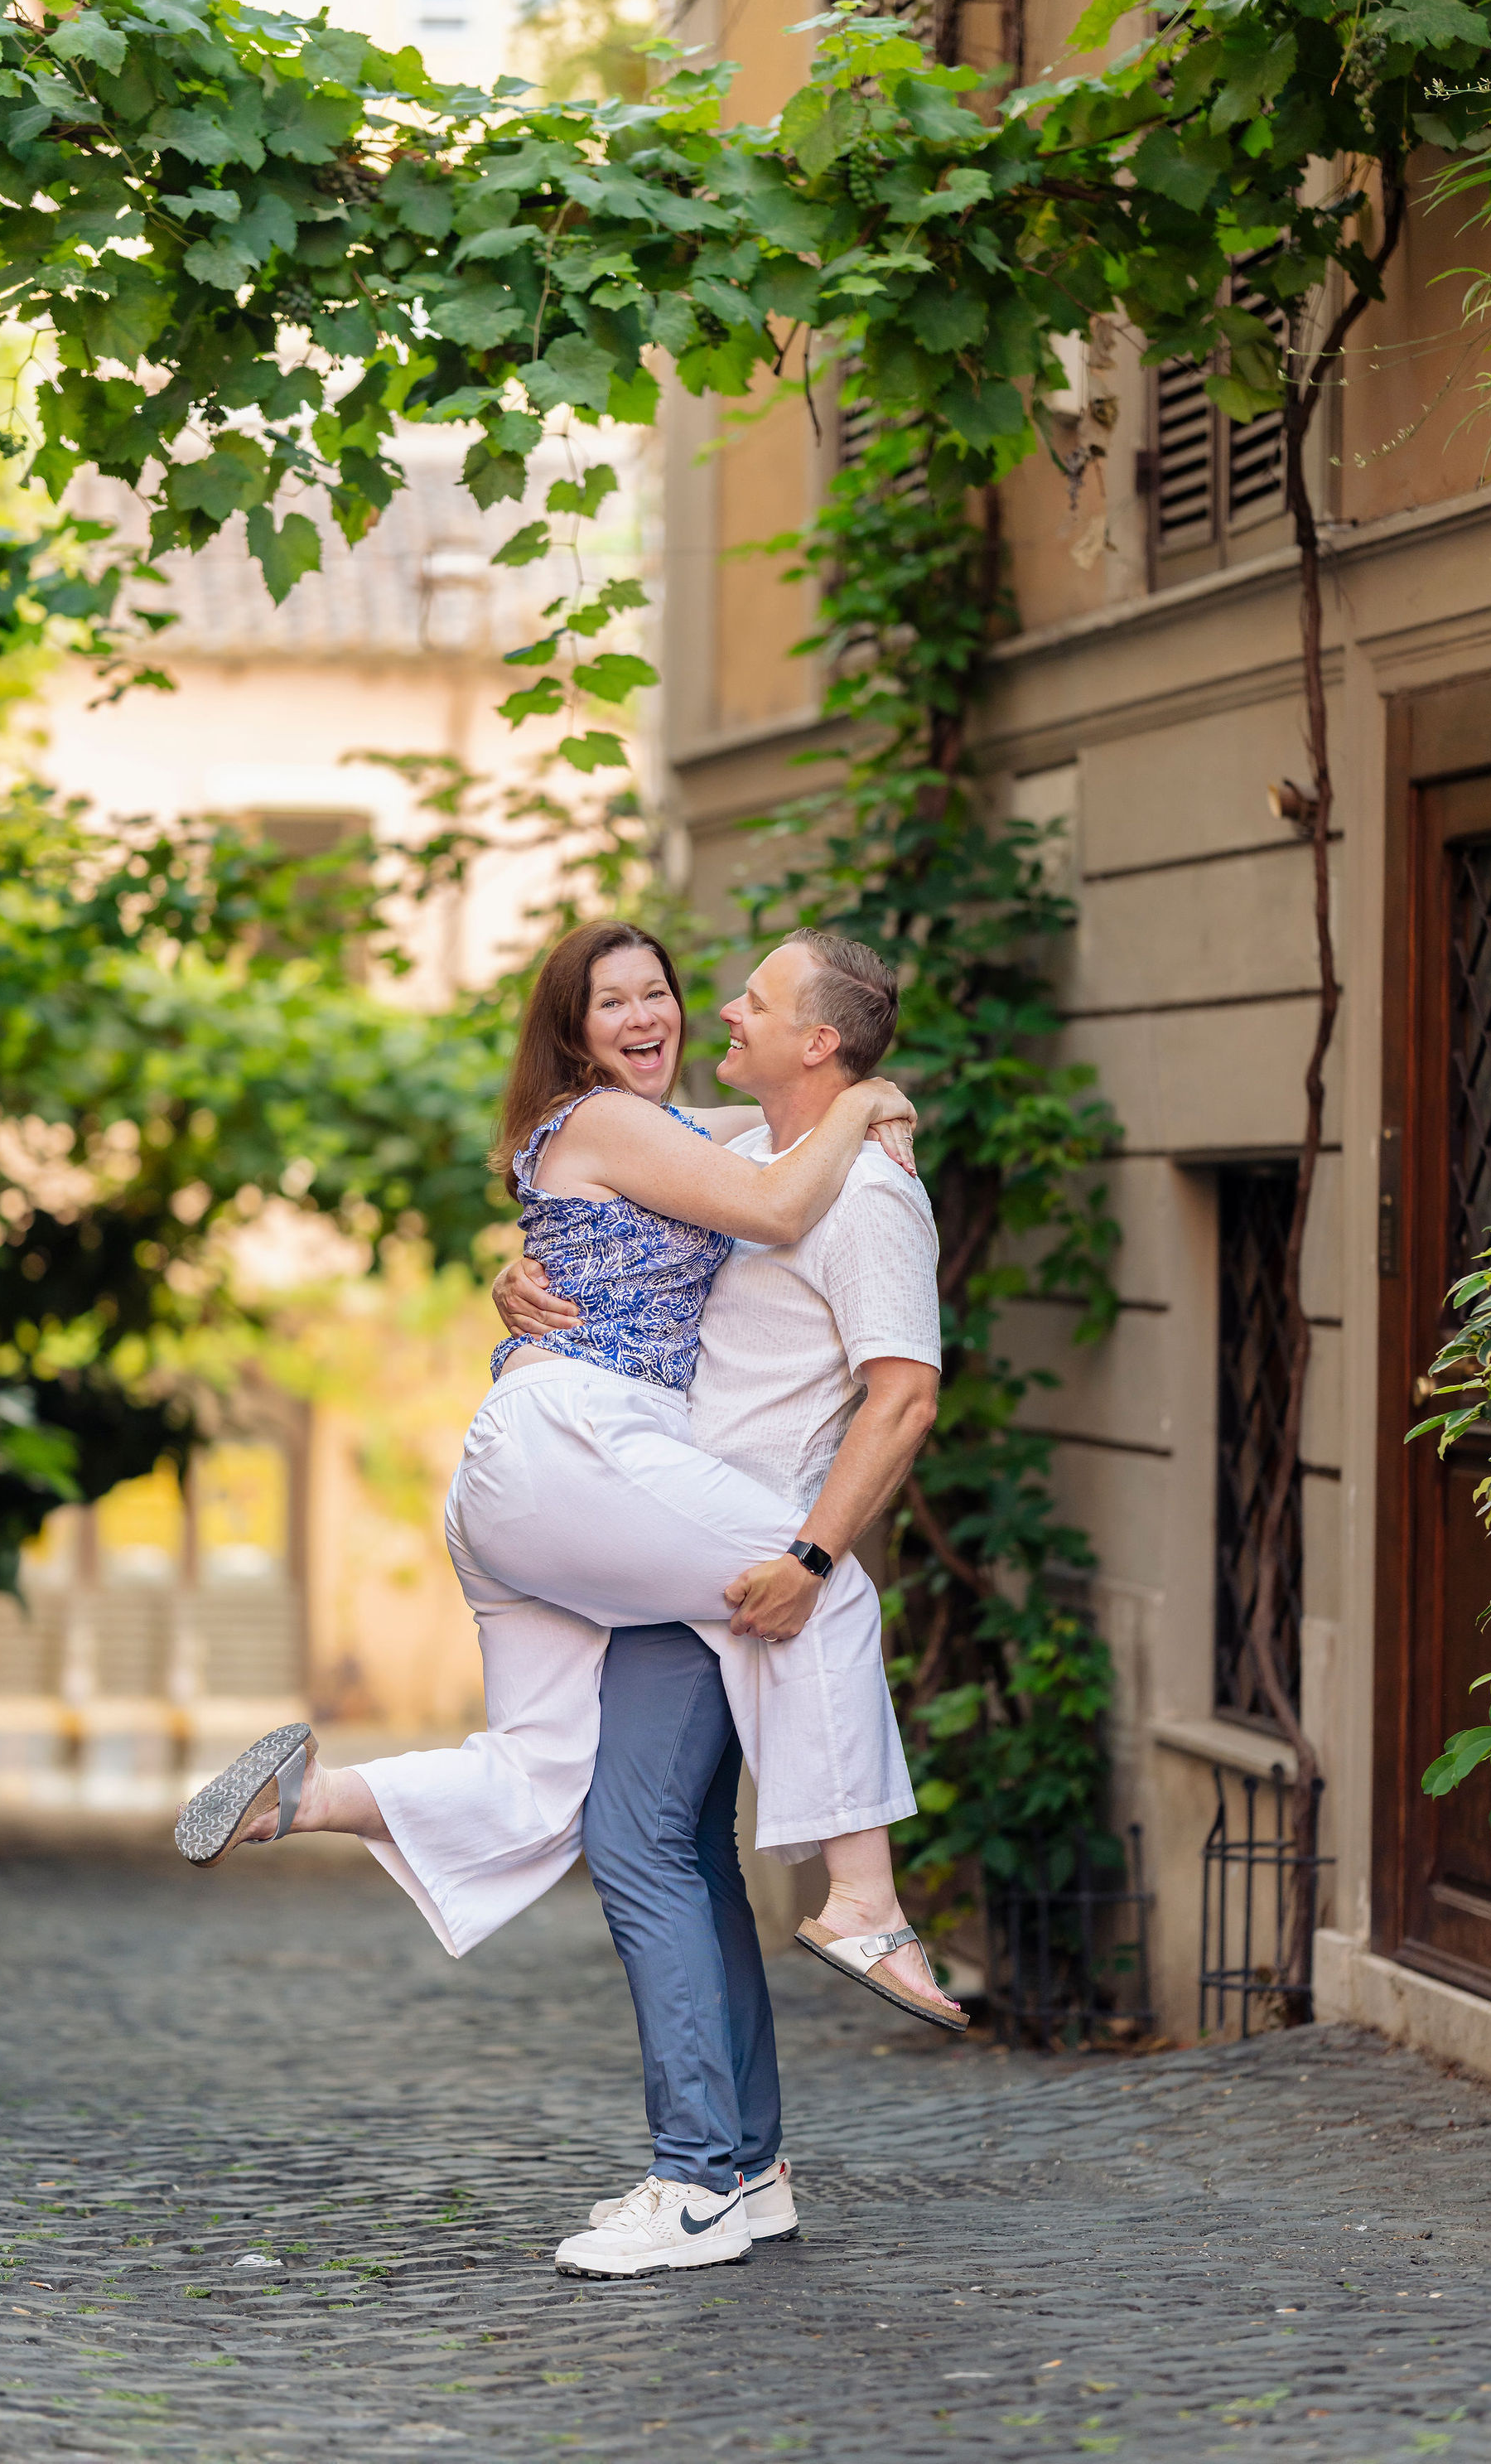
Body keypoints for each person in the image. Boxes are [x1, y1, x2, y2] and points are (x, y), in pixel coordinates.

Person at [174, 927, 946, 2105]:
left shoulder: (682, 1133)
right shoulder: (605, 1119)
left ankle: (310, 1800)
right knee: (826, 1587)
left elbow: (771, 1147)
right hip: (576, 1450)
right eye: (611, 1002)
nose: (660, 1015)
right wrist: (873, 1099)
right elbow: (781, 1198)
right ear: (572, 1033)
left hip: (544, 1479)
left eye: (664, 994)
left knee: (546, 1774)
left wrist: (853, 1111)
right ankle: (863, 1904)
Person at [494, 927, 963, 2279]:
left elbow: (905, 1395)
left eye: (748, 999)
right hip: (666, 1529)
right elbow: (615, 1182)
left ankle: (695, 2181)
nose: (717, 1012)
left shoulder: (865, 1196)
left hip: (732, 1563)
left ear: (817, 1041)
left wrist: (810, 1558)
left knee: (639, 1842)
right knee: (678, 1853)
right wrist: (519, 1277)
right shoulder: (757, 1153)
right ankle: (746, 2172)